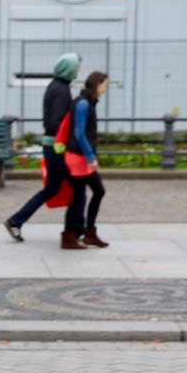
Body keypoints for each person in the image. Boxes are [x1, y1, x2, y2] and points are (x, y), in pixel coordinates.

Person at [4, 52, 87, 249]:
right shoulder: (62, 90)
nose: (78, 71)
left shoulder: (55, 86)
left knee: (52, 189)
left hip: (50, 145)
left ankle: (16, 221)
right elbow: (55, 122)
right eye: (76, 68)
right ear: (70, 69)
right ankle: (78, 231)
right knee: (79, 188)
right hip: (57, 147)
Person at [71, 72, 110, 247]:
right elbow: (79, 134)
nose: (105, 88)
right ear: (97, 84)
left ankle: (87, 232)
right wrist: (90, 157)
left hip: (81, 157)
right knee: (83, 196)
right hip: (79, 158)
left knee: (92, 193)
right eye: (104, 85)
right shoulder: (84, 104)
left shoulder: (87, 102)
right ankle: (76, 234)